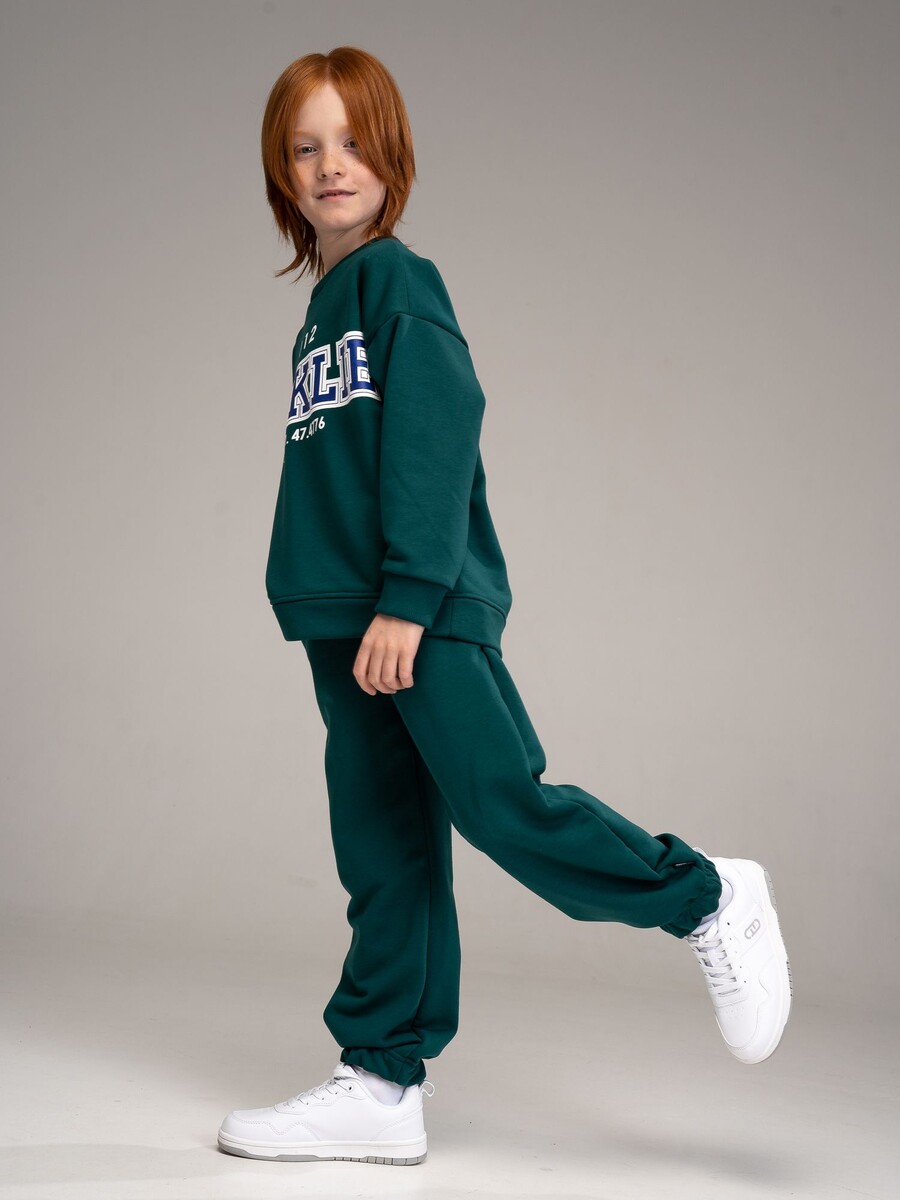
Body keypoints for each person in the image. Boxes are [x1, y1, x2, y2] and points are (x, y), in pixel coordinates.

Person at [217, 45, 792, 1167]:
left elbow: (434, 442)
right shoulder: (325, 306)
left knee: (503, 806)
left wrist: (408, 599)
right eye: (305, 147)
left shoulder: (398, 283)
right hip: (348, 620)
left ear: (393, 154)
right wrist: (333, 599)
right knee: (383, 846)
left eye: (353, 141)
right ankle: (381, 1082)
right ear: (281, 172)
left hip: (414, 611)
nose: (330, 165)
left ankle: (709, 896)